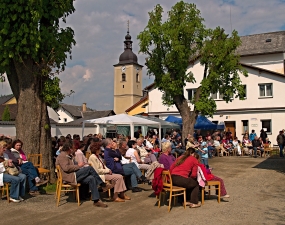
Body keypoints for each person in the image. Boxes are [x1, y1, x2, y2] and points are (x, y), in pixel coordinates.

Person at [56, 142, 114, 207]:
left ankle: (96, 200)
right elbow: (66, 168)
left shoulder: (68, 155)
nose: (74, 150)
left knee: (91, 178)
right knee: (90, 168)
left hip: (73, 174)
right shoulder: (62, 156)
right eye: (73, 148)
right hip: (70, 177)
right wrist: (78, 166)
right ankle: (102, 184)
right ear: (69, 148)